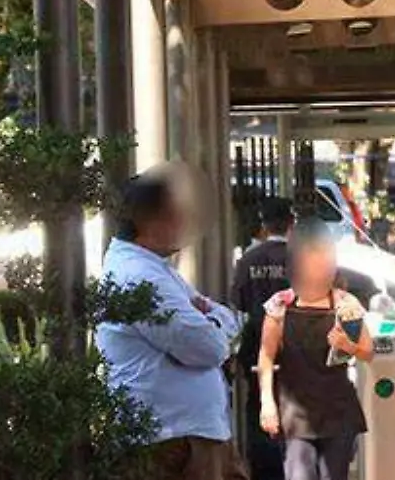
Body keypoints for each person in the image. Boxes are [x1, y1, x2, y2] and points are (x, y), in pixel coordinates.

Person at [96, 169, 246, 480]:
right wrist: (212, 322)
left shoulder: (154, 269)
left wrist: (212, 320)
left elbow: (225, 317)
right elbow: (209, 347)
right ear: (150, 220)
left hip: (184, 435)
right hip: (172, 441)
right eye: (178, 214)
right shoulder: (140, 275)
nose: (186, 224)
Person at [257, 218, 373, 480]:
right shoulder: (280, 305)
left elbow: (368, 351)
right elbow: (266, 356)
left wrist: (346, 345)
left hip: (338, 409)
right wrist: (267, 402)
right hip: (295, 412)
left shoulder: (345, 303)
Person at [233, 197, 296, 480]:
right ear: (291, 223)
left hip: (257, 344)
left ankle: (265, 471)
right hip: (295, 346)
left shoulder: (248, 260)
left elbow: (240, 303)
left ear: (264, 225)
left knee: (259, 405)